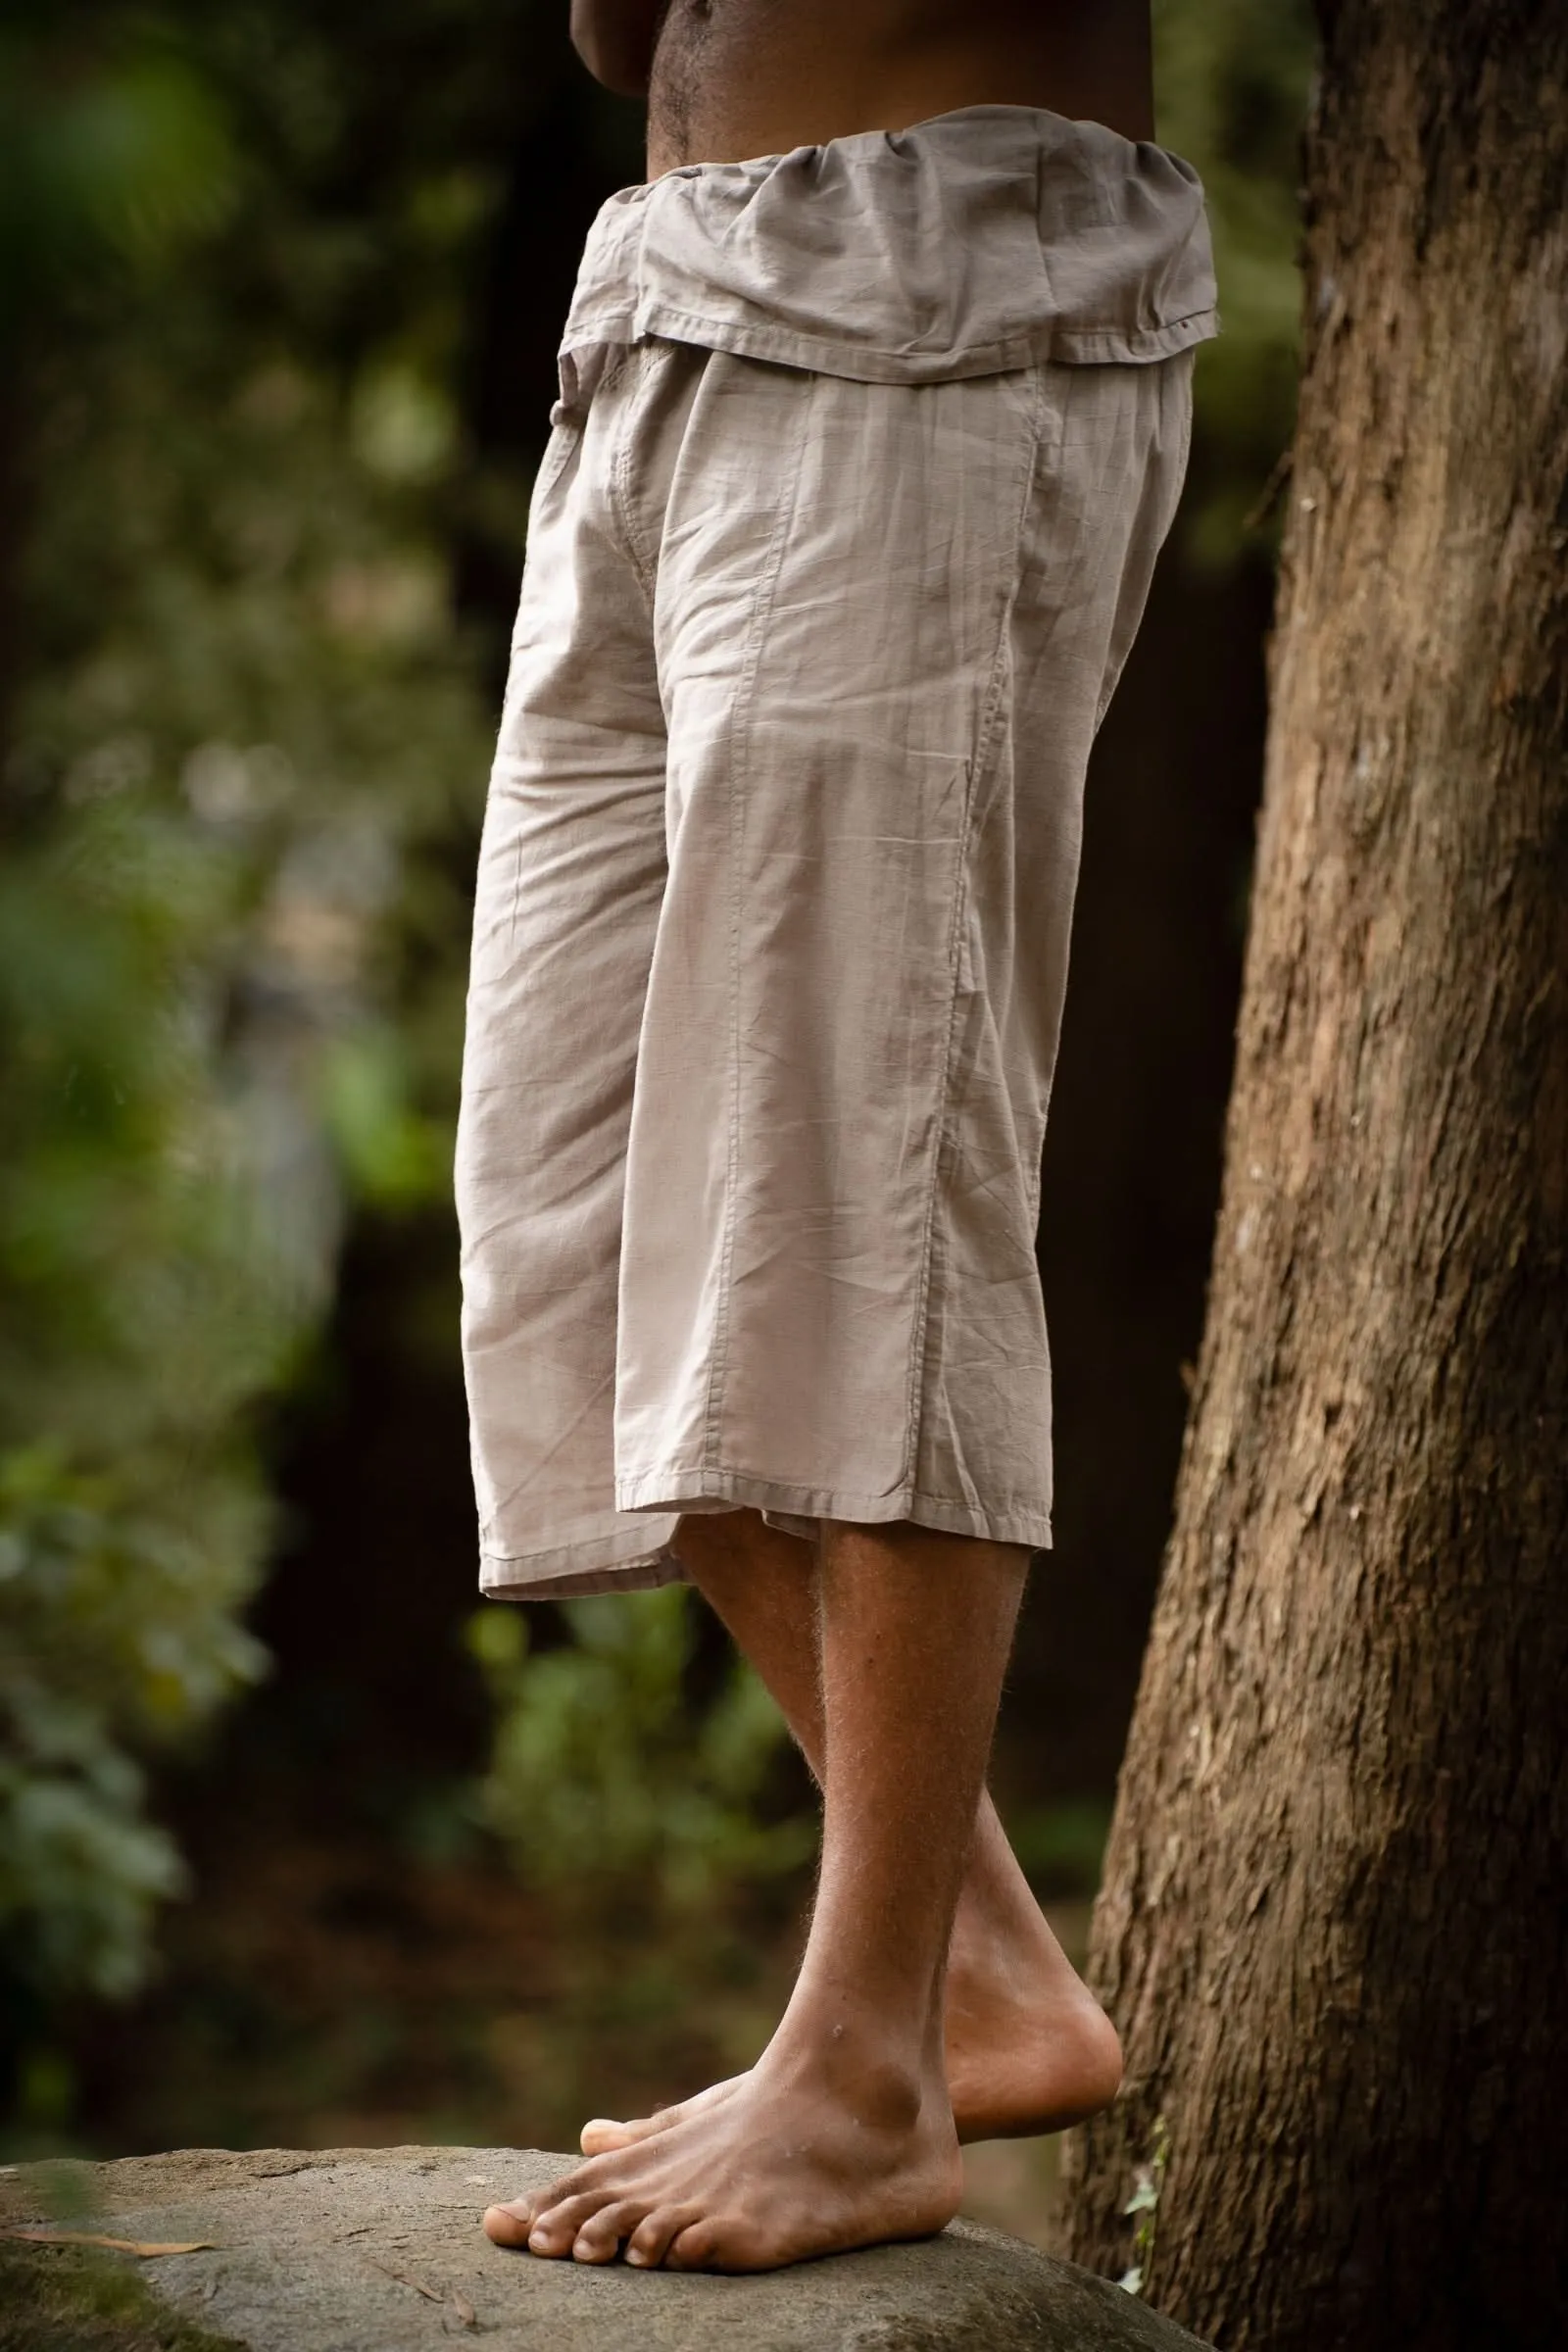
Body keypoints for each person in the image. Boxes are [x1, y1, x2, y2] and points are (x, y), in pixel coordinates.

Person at [456, 0, 1216, 2275]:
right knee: (568, 1218)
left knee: (853, 1178)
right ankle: (977, 1970)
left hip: (933, 305)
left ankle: (864, 2061)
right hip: (663, 316)